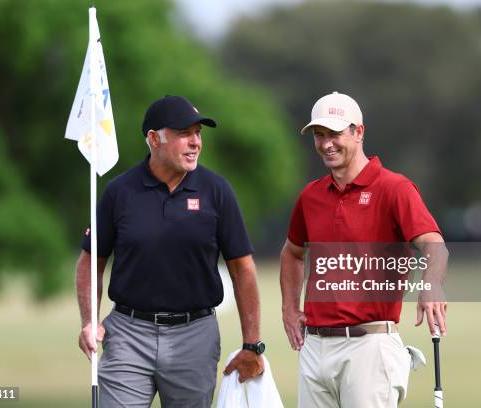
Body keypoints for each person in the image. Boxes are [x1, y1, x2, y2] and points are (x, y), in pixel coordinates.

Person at [76, 95, 265, 407]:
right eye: (183, 134)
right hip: (127, 334)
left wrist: (252, 344)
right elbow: (90, 261)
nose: (195, 143)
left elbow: (242, 269)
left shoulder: (217, 191)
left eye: (198, 133)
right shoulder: (119, 192)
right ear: (154, 139)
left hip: (194, 336)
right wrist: (88, 320)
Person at [280, 91, 448, 407]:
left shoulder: (394, 188)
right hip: (314, 348)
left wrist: (432, 284)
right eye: (319, 135)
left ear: (359, 132)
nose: (326, 143)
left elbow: (433, 244)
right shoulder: (310, 196)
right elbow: (291, 252)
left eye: (334, 134)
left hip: (369, 347)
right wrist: (289, 307)